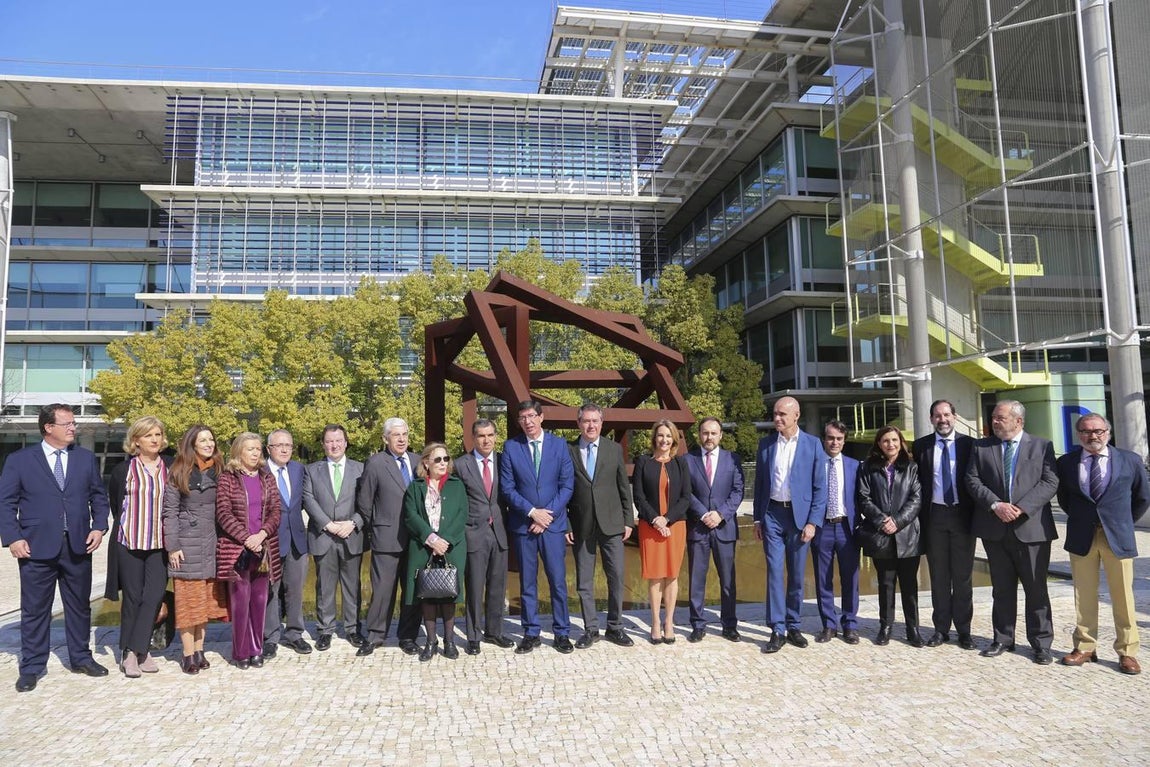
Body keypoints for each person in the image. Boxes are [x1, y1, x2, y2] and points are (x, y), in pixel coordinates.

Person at [0, 404, 110, 692]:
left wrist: (99, 527)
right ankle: (32, 667)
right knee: (35, 609)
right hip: (35, 547)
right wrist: (13, 537)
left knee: (79, 606)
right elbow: (6, 503)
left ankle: (81, 658)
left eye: (74, 423)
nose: (73, 428)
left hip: (77, 545)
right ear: (48, 427)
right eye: (68, 423)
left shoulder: (84, 459)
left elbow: (99, 497)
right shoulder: (20, 460)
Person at [965, 400, 1059, 665]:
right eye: (994, 417)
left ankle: (1041, 644)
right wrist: (996, 505)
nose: (994, 421)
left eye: (1000, 417)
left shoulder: (1042, 446)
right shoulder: (981, 447)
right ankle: (1003, 639)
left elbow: (1050, 481)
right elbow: (972, 480)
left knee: (1036, 589)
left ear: (1018, 421)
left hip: (1031, 530)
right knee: (1002, 589)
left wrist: (1020, 508)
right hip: (995, 530)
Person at [1056, 413, 1149, 675]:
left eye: (1098, 430)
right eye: (1086, 431)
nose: (1092, 436)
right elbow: (1064, 498)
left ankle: (1127, 652)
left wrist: (1120, 522)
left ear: (1108, 431)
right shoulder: (1067, 463)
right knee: (1083, 595)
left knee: (1123, 597)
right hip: (1082, 536)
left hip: (1117, 537)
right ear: (1078, 435)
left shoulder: (1129, 460)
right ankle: (1085, 646)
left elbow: (1142, 497)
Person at [500, 399, 575, 655]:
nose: (528, 422)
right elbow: (507, 488)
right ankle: (531, 632)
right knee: (527, 583)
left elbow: (567, 486)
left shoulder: (559, 445)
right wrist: (533, 513)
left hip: (552, 527)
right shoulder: (511, 448)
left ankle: (562, 632)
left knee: (557, 581)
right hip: (524, 525)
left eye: (532, 416)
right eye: (523, 418)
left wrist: (547, 516)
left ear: (541, 417)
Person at [752, 396, 827, 654]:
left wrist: (813, 523)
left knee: (796, 574)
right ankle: (777, 628)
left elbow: (820, 488)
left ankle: (793, 624)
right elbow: (760, 485)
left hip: (799, 518)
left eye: (782, 414)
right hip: (772, 514)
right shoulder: (766, 445)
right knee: (774, 571)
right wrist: (758, 518)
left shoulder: (813, 445)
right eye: (775, 414)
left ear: (796, 415)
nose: (777, 419)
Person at [105, 416, 172, 678]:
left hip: (159, 544)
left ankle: (139, 648)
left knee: (154, 596)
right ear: (136, 441)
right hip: (130, 542)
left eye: (157, 434)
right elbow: (116, 506)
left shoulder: (169, 466)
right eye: (148, 435)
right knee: (132, 598)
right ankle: (130, 653)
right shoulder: (124, 470)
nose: (155, 439)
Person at [567, 403, 635, 648]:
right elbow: (564, 490)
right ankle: (591, 629)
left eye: (595, 421)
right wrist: (565, 524)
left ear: (602, 423)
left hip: (612, 524)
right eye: (586, 421)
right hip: (581, 525)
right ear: (579, 423)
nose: (591, 425)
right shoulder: (569, 451)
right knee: (584, 582)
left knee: (616, 577)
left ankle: (615, 627)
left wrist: (629, 519)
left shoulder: (613, 449)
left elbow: (622, 487)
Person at [163, 425, 229, 675]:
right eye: (203, 440)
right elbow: (169, 512)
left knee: (205, 603)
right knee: (188, 602)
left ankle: (200, 650)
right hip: (187, 544)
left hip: (211, 543)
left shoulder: (220, 469)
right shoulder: (179, 470)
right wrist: (173, 546)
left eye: (211, 439)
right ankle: (187, 653)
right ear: (192, 443)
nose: (208, 444)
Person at [912, 399, 977, 650]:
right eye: (938, 416)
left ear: (955, 416)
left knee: (963, 578)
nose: (943, 420)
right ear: (931, 419)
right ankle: (940, 629)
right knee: (939, 577)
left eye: (947, 414)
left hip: (963, 517)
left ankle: (964, 631)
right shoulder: (921, 447)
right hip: (934, 517)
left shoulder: (969, 445)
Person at [215, 432, 282, 669]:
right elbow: (223, 513)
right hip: (237, 550)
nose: (255, 453)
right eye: (250, 449)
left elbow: (276, 511)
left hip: (264, 549)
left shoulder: (267, 478)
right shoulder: (228, 478)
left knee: (260, 600)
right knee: (241, 602)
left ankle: (257, 649)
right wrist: (246, 538)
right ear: (238, 452)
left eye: (258, 449)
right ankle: (241, 650)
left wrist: (262, 534)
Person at [357, 417, 422, 656]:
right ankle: (375, 635)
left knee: (412, 590)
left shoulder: (417, 461)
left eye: (405, 434)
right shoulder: (375, 463)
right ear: (386, 438)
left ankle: (408, 636)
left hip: (416, 539)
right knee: (383, 590)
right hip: (386, 537)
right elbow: (365, 502)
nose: (402, 439)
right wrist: (377, 526)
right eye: (396, 435)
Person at [856, 425, 924, 647]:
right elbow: (864, 498)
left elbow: (916, 498)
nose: (890, 444)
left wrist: (898, 521)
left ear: (901, 442)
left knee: (909, 585)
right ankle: (885, 627)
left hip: (907, 535)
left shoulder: (911, 467)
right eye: (885, 441)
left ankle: (912, 628)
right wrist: (881, 520)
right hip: (881, 534)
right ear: (879, 444)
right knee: (885, 584)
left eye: (894, 440)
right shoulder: (868, 468)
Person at [403, 443, 468, 661]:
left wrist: (445, 541)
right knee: (428, 595)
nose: (443, 463)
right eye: (438, 459)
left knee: (448, 594)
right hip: (424, 547)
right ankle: (431, 641)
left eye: (446, 459)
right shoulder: (415, 486)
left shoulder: (457, 485)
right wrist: (431, 539)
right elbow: (410, 516)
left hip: (451, 547)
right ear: (426, 463)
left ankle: (450, 641)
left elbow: (462, 515)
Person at [303, 424, 366, 651]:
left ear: (346, 442)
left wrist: (353, 523)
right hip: (324, 536)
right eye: (329, 441)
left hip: (352, 534)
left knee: (353, 587)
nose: (334, 445)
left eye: (338, 440)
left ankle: (353, 629)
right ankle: (325, 630)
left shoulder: (360, 469)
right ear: (323, 444)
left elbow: (367, 502)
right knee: (324, 587)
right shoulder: (311, 470)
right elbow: (308, 499)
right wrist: (328, 524)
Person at [454, 419, 513, 655]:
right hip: (474, 533)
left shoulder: (504, 461)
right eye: (480, 436)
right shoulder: (461, 465)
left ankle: (494, 631)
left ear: (496, 436)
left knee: (498, 586)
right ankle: (473, 636)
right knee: (475, 587)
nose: (486, 440)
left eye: (490, 435)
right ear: (473, 438)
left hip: (499, 532)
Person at [684, 417, 744, 643]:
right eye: (705, 433)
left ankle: (729, 624)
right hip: (698, 528)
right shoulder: (687, 460)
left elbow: (738, 491)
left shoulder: (733, 460)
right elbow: (686, 492)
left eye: (713, 433)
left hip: (724, 527)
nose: (709, 437)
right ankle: (698, 624)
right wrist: (703, 513)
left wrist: (720, 514)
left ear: (721, 435)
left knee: (728, 580)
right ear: (699, 435)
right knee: (696, 580)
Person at [632, 419, 691, 644]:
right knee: (655, 576)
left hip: (675, 526)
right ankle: (656, 622)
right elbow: (639, 496)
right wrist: (656, 520)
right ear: (654, 438)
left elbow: (686, 497)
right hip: (650, 527)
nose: (664, 440)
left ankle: (669, 622)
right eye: (660, 435)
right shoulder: (643, 463)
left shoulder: (680, 464)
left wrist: (667, 519)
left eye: (668, 436)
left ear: (674, 439)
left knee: (672, 575)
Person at [263, 429, 311, 658]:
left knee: (295, 590)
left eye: (288, 445)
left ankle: (294, 634)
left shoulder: (298, 469)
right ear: (269, 448)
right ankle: (270, 636)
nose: (284, 449)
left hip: (297, 540)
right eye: (279, 445)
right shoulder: (260, 472)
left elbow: (302, 503)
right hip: (270, 540)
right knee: (270, 590)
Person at [812, 420, 861, 645]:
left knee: (850, 577)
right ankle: (829, 625)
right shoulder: (815, 464)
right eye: (831, 438)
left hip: (846, 527)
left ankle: (850, 624)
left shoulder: (854, 465)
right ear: (825, 439)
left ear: (844, 440)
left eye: (839, 439)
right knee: (823, 578)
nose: (835, 442)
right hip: (822, 527)